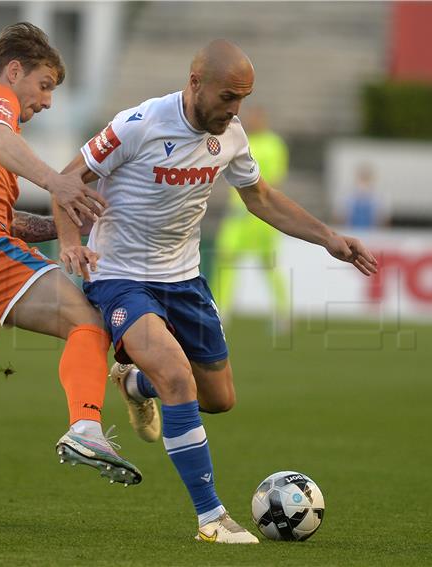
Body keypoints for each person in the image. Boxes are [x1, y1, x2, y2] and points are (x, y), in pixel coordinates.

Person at [55, 39, 378, 544]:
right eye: (228, 97)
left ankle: (135, 384)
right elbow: (67, 179)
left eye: (242, 100)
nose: (235, 110)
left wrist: (329, 238)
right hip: (119, 275)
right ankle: (212, 518)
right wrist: (71, 242)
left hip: (183, 279)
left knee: (219, 398)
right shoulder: (137, 124)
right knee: (178, 379)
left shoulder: (231, 136)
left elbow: (262, 199)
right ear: (195, 83)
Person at [0, 22, 141, 517]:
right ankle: (86, 429)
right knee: (87, 322)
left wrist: (62, 224)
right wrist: (58, 182)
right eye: (44, 85)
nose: (49, 101)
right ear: (14, 72)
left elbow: (3, 216)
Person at [210, 105, 290, 332]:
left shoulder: (274, 144)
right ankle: (220, 310)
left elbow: (275, 180)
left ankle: (282, 313)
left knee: (269, 265)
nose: (252, 121)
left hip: (260, 216)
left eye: (256, 117)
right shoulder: (240, 139)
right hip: (237, 214)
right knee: (225, 260)